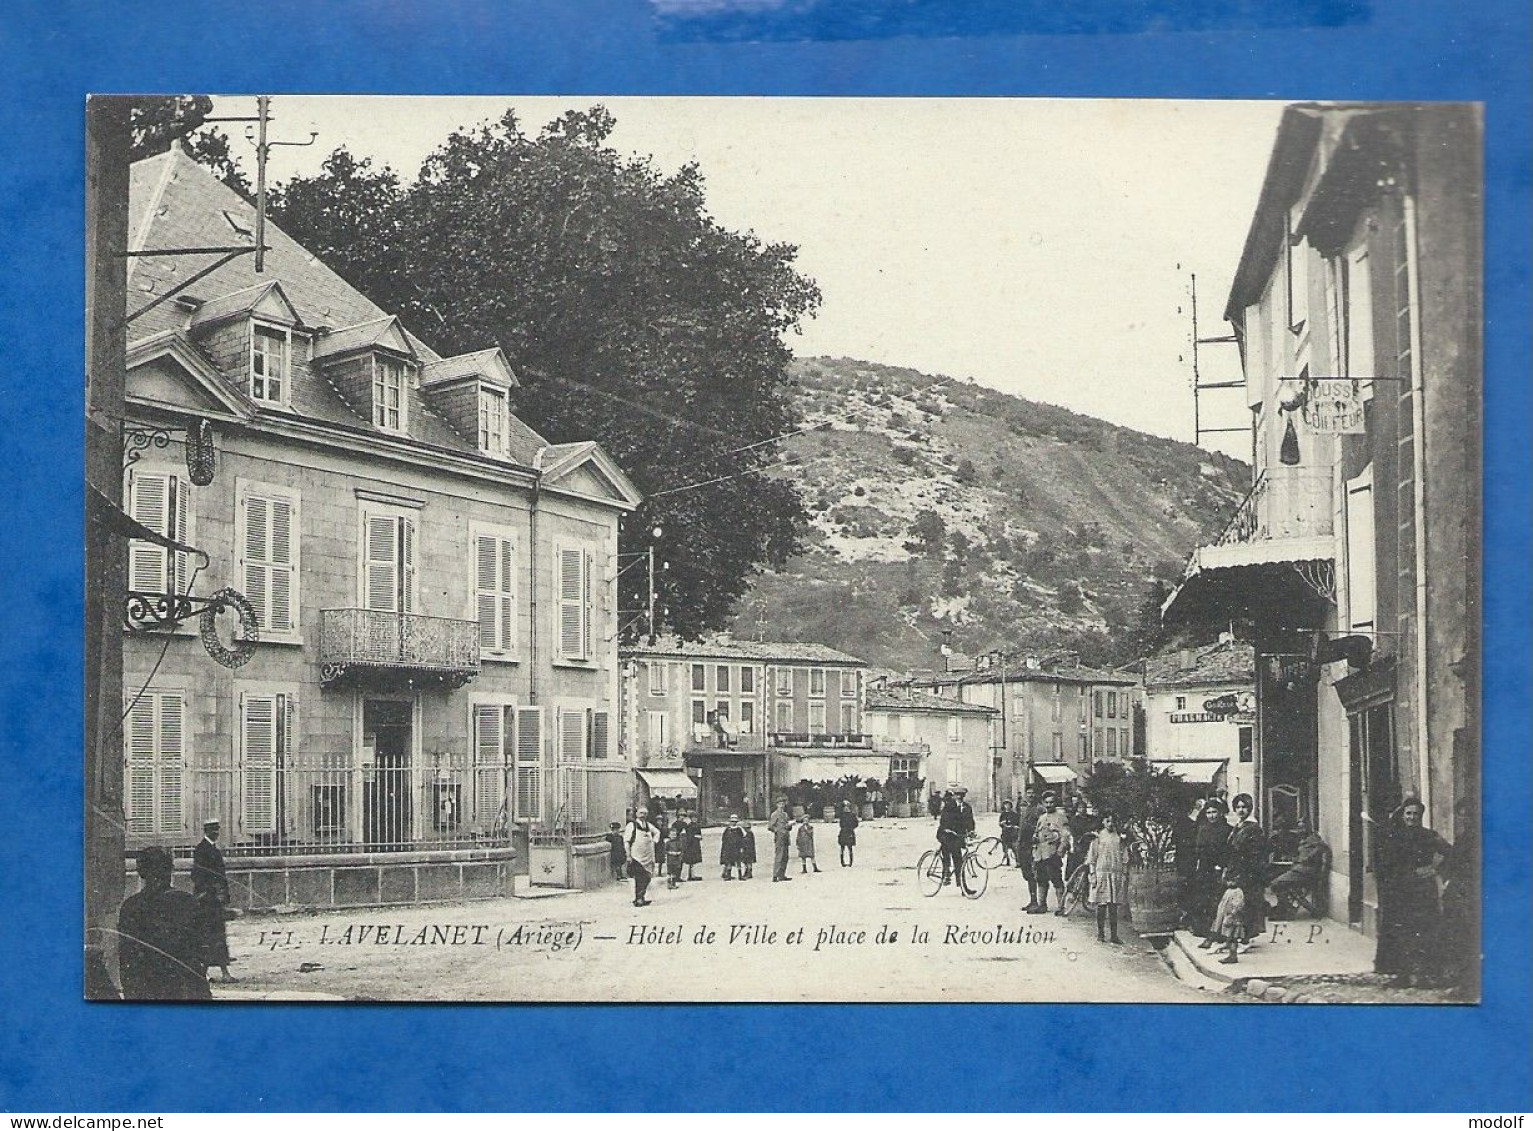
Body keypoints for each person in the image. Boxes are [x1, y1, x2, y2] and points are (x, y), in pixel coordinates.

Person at [1371, 796, 1452, 987]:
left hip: (1423, 892)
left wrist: (1435, 870)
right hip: (1399, 892)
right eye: (1408, 813)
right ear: (1403, 815)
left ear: (1421, 816)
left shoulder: (1430, 836)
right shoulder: (1393, 836)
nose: (1412, 817)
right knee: (1401, 933)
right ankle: (1403, 975)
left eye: (1416, 814)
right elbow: (1383, 863)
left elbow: (1452, 854)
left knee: (1424, 931)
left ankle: (1424, 975)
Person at [117, 847, 212, 1000]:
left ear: (141, 872)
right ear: (171, 870)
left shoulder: (131, 907)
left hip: (147, 991)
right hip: (186, 990)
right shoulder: (188, 902)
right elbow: (204, 949)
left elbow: (127, 958)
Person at [191, 817, 236, 983]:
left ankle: (223, 972)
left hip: (215, 900)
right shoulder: (201, 850)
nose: (216, 833)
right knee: (207, 936)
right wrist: (211, 891)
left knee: (217, 936)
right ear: (206, 831)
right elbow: (197, 875)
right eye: (213, 830)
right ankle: (206, 973)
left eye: (217, 829)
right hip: (207, 900)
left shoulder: (213, 849)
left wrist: (223, 895)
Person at [1224, 793, 1269, 950]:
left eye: (1244, 807)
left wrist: (1246, 870)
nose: (1241, 810)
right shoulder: (1239, 825)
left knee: (1249, 904)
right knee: (1239, 905)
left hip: (1250, 871)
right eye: (1238, 807)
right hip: (1238, 869)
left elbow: (1255, 853)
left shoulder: (1253, 828)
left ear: (1249, 809)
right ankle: (1240, 937)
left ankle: (1247, 938)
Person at [1186, 799, 1231, 936]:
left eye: (1214, 812)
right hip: (1205, 868)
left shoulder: (1227, 829)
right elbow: (1198, 850)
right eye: (1208, 812)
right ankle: (1202, 929)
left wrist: (1221, 865)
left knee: (1216, 899)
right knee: (1202, 898)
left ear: (1220, 813)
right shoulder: (1203, 830)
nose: (1211, 816)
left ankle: (1218, 930)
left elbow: (1228, 851)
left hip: (1219, 867)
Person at [1269, 820, 1330, 917]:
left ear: (1309, 828)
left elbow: (1319, 853)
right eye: (1299, 828)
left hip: (1305, 872)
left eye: (1303, 828)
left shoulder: (1315, 840)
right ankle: (1284, 907)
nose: (1300, 831)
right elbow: (1302, 856)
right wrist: (1294, 859)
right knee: (1276, 880)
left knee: (1277, 883)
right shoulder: (1304, 840)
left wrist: (1321, 874)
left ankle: (1285, 908)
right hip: (1298, 870)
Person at [1088, 812, 1130, 944]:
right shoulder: (1098, 837)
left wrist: (1123, 873)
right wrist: (1093, 874)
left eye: (1112, 821)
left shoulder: (1120, 838)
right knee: (1101, 904)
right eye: (1107, 821)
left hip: (1115, 874)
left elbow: (1124, 858)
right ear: (1103, 822)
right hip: (1102, 874)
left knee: (1113, 906)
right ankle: (1100, 934)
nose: (1110, 824)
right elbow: (1092, 858)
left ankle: (1114, 935)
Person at [1030, 796, 1072, 914]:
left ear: (1055, 803)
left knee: (1056, 879)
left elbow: (1065, 835)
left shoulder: (1061, 817)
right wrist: (1034, 838)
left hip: (1052, 852)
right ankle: (1042, 905)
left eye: (1051, 802)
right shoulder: (1042, 817)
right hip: (1040, 853)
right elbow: (1037, 831)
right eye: (1046, 802)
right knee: (1041, 878)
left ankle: (1061, 906)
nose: (1049, 805)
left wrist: (1060, 850)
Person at [623, 808, 660, 907]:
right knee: (640, 877)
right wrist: (628, 855)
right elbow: (626, 841)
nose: (643, 815)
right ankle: (638, 899)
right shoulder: (632, 825)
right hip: (636, 856)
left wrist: (654, 841)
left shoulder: (648, 825)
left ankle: (641, 897)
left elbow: (657, 832)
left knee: (647, 877)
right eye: (641, 813)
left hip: (648, 856)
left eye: (645, 813)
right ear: (637, 814)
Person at [1018, 787, 1045, 910]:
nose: (1031, 795)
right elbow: (1021, 827)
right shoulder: (1024, 808)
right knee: (1027, 873)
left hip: (1034, 845)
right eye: (1028, 793)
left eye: (1033, 792)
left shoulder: (1040, 809)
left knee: (1035, 873)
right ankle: (1032, 900)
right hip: (1023, 845)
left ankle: (1039, 902)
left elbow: (1043, 827)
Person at [936, 794, 968, 892]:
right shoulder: (948, 806)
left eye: (961, 796)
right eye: (957, 796)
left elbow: (970, 820)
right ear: (954, 797)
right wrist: (947, 828)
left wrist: (971, 830)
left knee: (959, 862)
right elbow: (943, 820)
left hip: (957, 836)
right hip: (945, 834)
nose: (959, 798)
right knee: (949, 852)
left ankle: (963, 887)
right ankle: (946, 872)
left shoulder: (967, 807)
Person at [768, 799, 794, 882]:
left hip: (786, 837)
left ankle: (782, 875)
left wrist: (789, 825)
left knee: (785, 857)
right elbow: (770, 826)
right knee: (779, 856)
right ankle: (775, 875)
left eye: (783, 804)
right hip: (779, 837)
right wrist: (778, 830)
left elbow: (788, 827)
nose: (782, 805)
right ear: (777, 805)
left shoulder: (785, 814)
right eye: (780, 804)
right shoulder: (775, 814)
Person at [720, 814, 746, 880]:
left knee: (738, 862)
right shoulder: (727, 830)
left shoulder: (739, 830)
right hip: (729, 848)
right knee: (729, 862)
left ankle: (740, 875)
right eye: (732, 821)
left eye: (735, 822)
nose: (733, 823)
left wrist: (742, 847)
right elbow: (724, 839)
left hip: (737, 848)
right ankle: (728, 875)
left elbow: (742, 838)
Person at [682, 810, 704, 881]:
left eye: (696, 818)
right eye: (693, 818)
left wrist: (699, 837)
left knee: (694, 861)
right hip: (690, 844)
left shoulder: (697, 826)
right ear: (690, 818)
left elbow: (699, 834)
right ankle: (691, 875)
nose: (694, 819)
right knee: (691, 860)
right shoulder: (689, 826)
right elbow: (689, 836)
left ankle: (692, 874)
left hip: (696, 844)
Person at [837, 800, 860, 867]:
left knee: (850, 848)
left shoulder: (852, 815)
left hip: (849, 832)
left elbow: (856, 823)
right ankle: (842, 862)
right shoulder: (842, 815)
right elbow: (840, 824)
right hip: (843, 832)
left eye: (847, 807)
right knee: (842, 848)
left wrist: (851, 828)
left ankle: (850, 862)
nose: (846, 808)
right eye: (845, 807)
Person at [997, 800, 1020, 866]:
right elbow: (1000, 823)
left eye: (1008, 805)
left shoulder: (1014, 814)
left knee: (1014, 848)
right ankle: (1007, 861)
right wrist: (1001, 823)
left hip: (1012, 834)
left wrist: (1014, 826)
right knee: (1005, 848)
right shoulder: (1003, 814)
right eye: (1006, 805)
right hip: (1005, 833)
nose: (1007, 806)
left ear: (1011, 806)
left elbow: (1017, 824)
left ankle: (1017, 862)